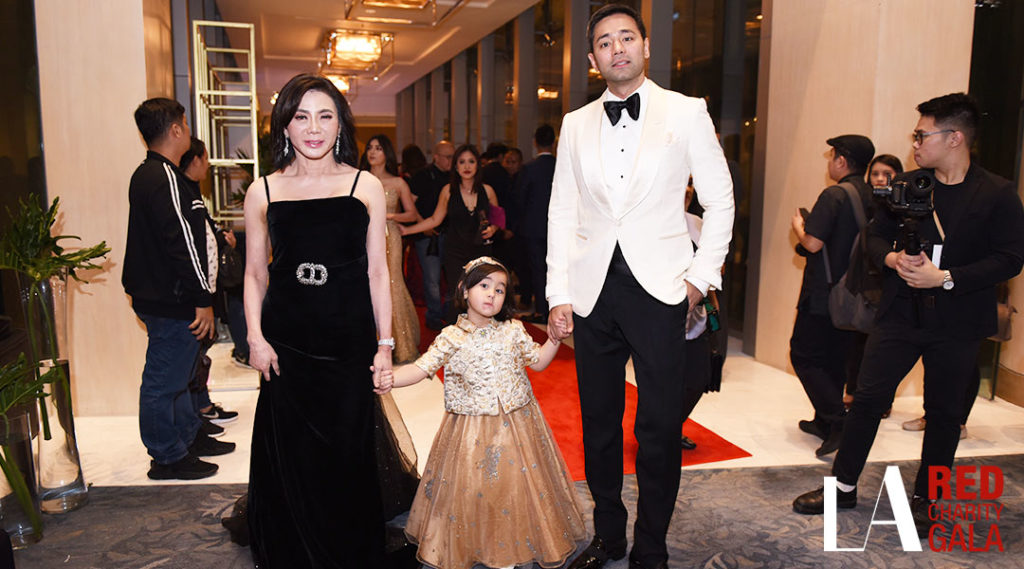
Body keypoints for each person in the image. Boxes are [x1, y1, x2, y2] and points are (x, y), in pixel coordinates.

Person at [546, 5, 734, 569]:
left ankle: (652, 545)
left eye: (627, 37)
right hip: (593, 293)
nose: (617, 48)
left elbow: (720, 201)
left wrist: (700, 278)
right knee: (598, 424)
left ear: (646, 46)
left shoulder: (687, 111)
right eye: (605, 42)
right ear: (593, 58)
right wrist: (558, 292)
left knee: (658, 426)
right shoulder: (576, 123)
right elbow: (562, 212)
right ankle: (609, 536)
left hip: (662, 292)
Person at [793, 93, 1024, 537]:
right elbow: (874, 237)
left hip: (958, 322)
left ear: (955, 138)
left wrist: (947, 277)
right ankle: (842, 487)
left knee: (943, 413)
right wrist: (893, 259)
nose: (915, 144)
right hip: (899, 315)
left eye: (922, 135)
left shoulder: (997, 193)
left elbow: (1011, 258)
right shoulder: (909, 184)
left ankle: (926, 499)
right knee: (866, 401)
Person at [242, 73, 394, 567]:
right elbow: (255, 274)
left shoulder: (365, 185)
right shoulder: (263, 190)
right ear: (284, 126)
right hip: (286, 345)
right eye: (301, 116)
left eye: (325, 116)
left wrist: (385, 344)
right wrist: (255, 337)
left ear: (340, 124)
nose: (313, 128)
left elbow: (377, 272)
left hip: (348, 342)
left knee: (347, 448)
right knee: (292, 450)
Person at [381, 256, 587, 569]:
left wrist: (555, 339)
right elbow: (421, 368)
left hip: (518, 424)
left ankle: (511, 544)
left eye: (500, 289)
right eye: (484, 285)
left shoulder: (513, 330)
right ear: (464, 290)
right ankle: (482, 543)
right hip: (471, 430)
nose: (492, 294)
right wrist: (390, 379)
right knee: (475, 489)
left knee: (516, 487)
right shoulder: (451, 337)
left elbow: (539, 362)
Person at [123, 98, 235, 481]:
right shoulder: (163, 177)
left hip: (165, 295)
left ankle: (186, 439)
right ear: (174, 130)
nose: (188, 131)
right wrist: (202, 298)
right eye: (185, 125)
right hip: (170, 298)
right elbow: (183, 243)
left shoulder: (153, 175)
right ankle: (167, 456)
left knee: (181, 374)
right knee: (164, 381)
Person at [789, 134, 875, 457]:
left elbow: (812, 243)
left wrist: (799, 225)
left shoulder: (835, 194)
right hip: (853, 294)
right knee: (835, 360)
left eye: (832, 156)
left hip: (824, 295)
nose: (830, 163)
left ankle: (837, 421)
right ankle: (823, 422)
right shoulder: (870, 195)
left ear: (841, 160)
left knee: (803, 355)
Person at [178, 136, 240, 439]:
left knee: (199, 354)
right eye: (205, 158)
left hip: (205, 289)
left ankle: (201, 408)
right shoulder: (182, 193)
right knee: (192, 357)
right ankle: (196, 415)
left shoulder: (191, 193)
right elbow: (196, 245)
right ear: (195, 160)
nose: (208, 164)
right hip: (195, 292)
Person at [401, 144, 500, 323]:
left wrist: (493, 228)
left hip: (481, 251)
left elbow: (498, 218)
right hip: (455, 252)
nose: (467, 166)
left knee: (482, 292)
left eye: (471, 161)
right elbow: (435, 219)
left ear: (478, 165)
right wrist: (407, 230)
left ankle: (481, 333)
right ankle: (458, 333)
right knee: (459, 293)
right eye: (462, 162)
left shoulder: (488, 190)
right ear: (455, 166)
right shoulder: (448, 191)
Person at [844, 154, 904, 416]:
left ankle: (883, 400)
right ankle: (852, 392)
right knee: (858, 341)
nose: (880, 179)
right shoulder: (864, 201)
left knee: (885, 348)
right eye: (875, 173)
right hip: (866, 281)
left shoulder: (902, 205)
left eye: (887, 174)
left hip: (892, 282)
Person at [360, 134, 422, 364]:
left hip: (389, 235)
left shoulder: (398, 183)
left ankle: (400, 344)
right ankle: (368, 343)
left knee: (392, 281)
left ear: (387, 153)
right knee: (365, 282)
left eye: (378, 148)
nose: (372, 152)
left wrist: (389, 216)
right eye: (370, 147)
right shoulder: (359, 180)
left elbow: (412, 214)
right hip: (363, 236)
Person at [408, 140, 455, 330]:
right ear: (436, 157)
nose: (451, 161)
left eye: (453, 156)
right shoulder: (422, 176)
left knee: (453, 278)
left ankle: (450, 313)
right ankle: (434, 315)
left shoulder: (455, 177)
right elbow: (409, 204)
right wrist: (421, 225)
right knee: (432, 279)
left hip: (451, 235)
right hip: (427, 236)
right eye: (447, 157)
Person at [515, 125, 557, 323]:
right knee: (556, 269)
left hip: (533, 228)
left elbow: (520, 199)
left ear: (535, 142)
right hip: (557, 227)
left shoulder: (529, 168)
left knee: (538, 270)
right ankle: (556, 307)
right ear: (554, 142)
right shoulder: (560, 165)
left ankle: (542, 310)